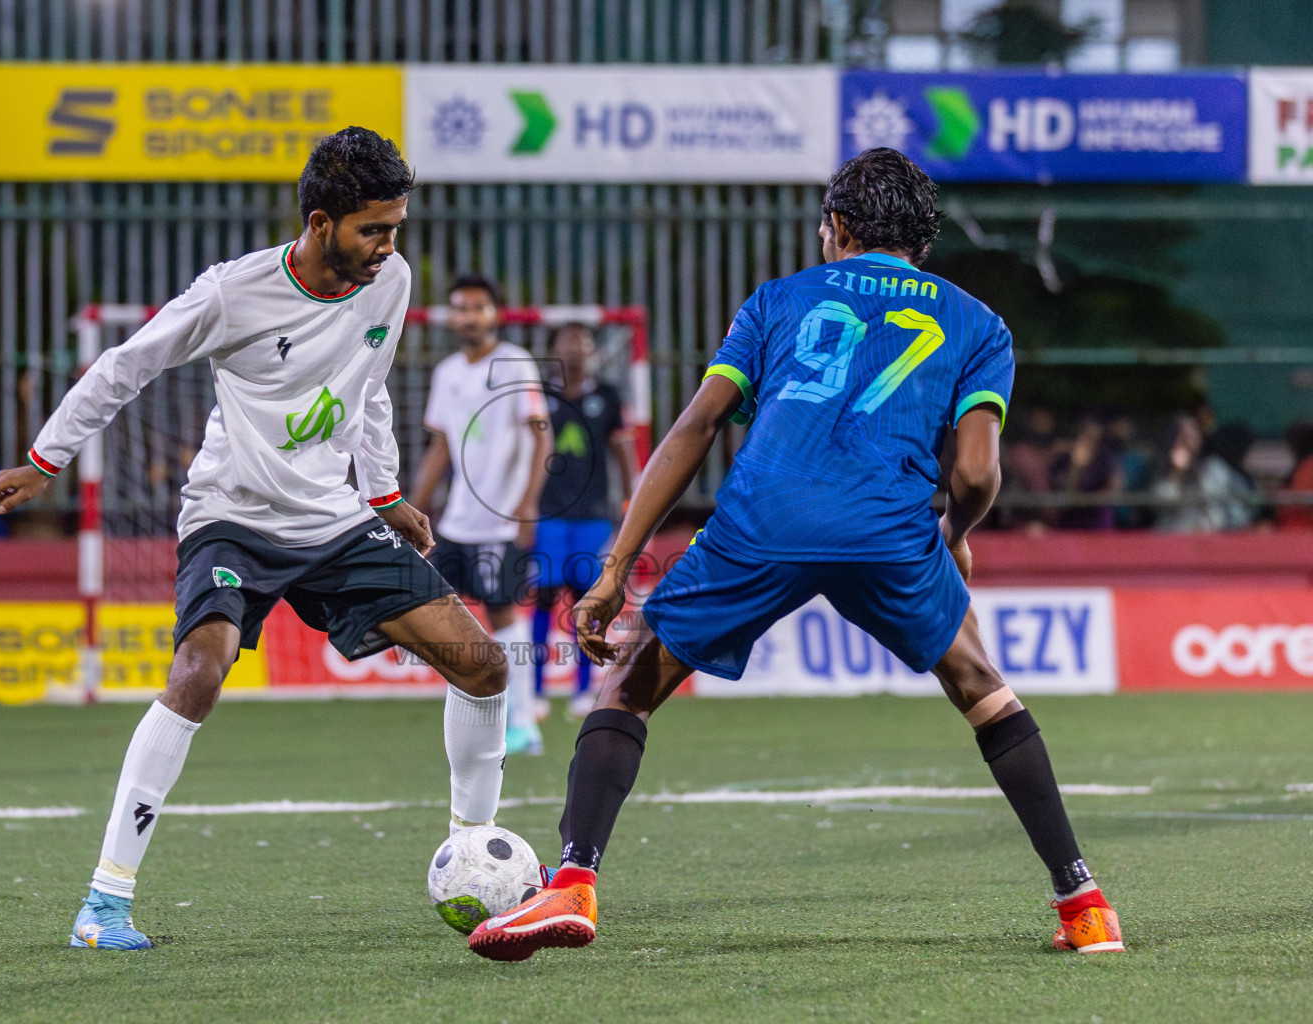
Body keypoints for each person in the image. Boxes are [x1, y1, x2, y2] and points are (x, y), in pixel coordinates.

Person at [468, 148, 1124, 962]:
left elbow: (693, 430)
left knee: (629, 683)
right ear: (921, 239)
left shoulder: (777, 301)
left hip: (763, 520)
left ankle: (571, 881)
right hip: (889, 530)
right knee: (983, 689)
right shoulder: (979, 324)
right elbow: (979, 472)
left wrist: (613, 572)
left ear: (838, 228)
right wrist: (951, 537)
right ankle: (1082, 901)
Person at [0, 128, 511, 950]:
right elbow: (127, 365)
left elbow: (368, 388)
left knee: (483, 664)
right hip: (232, 515)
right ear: (319, 220)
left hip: (333, 519)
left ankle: (473, 856)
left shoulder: (390, 281)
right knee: (200, 668)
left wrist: (385, 493)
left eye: (396, 228)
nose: (388, 246)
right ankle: (105, 902)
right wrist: (46, 457)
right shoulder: (233, 293)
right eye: (373, 228)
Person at [412, 274, 553, 756]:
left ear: (496, 313)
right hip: (456, 521)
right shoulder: (448, 371)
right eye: (460, 308)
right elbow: (441, 445)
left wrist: (527, 504)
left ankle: (526, 723)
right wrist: (411, 505)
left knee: (504, 614)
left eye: (478, 308)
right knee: (428, 605)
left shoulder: (514, 362)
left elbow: (542, 435)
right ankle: (477, 707)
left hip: (501, 519)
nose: (468, 317)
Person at [531, 323, 638, 719]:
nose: (575, 350)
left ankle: (582, 687)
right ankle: (537, 690)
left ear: (593, 351)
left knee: (585, 601)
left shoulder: (607, 397)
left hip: (593, 517)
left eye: (582, 343)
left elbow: (622, 452)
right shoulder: (540, 395)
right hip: (547, 514)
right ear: (556, 348)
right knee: (542, 598)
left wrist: (633, 502)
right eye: (567, 342)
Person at [1152, 414, 1254, 532]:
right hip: (1173, 537)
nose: (1189, 439)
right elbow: (1161, 505)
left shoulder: (1214, 467)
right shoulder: (1164, 467)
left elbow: (1222, 508)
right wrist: (1176, 473)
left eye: (1193, 432)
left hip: (1208, 539)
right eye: (1183, 435)